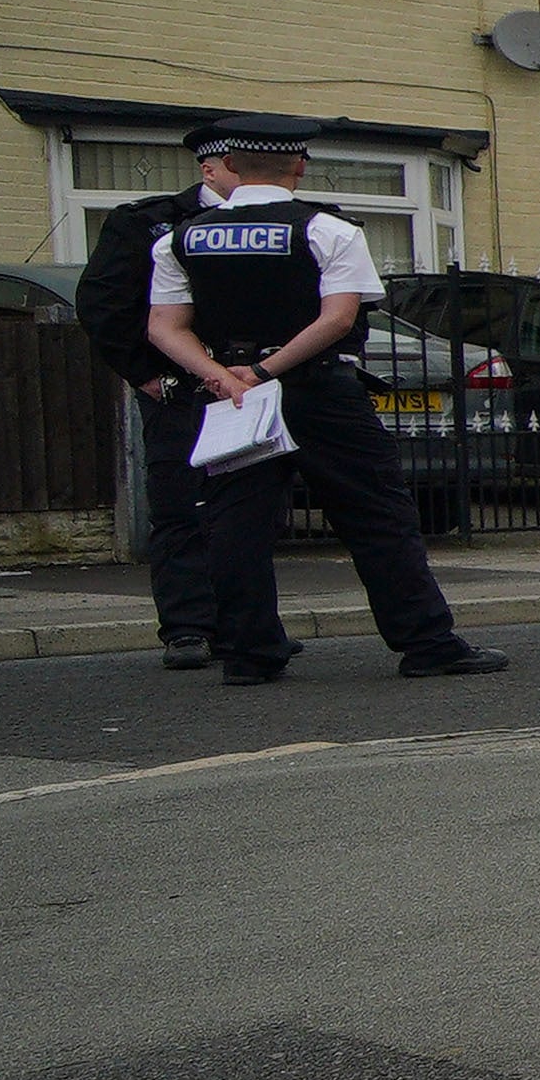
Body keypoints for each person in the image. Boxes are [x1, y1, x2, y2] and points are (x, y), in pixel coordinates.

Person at [140, 118, 505, 686]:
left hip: (235, 399)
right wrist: (266, 370)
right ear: (299, 166)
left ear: (230, 166)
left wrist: (227, 377)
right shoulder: (326, 230)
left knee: (236, 526)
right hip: (318, 392)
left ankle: (249, 654)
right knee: (378, 516)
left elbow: (164, 328)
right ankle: (426, 642)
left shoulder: (180, 237)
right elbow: (336, 320)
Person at [69, 128, 224, 669]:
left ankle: (246, 625)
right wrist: (143, 373)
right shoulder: (145, 222)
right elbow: (102, 303)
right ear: (211, 168)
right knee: (182, 506)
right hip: (180, 388)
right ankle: (187, 629)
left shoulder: (282, 221)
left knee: (250, 509)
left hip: (256, 384)